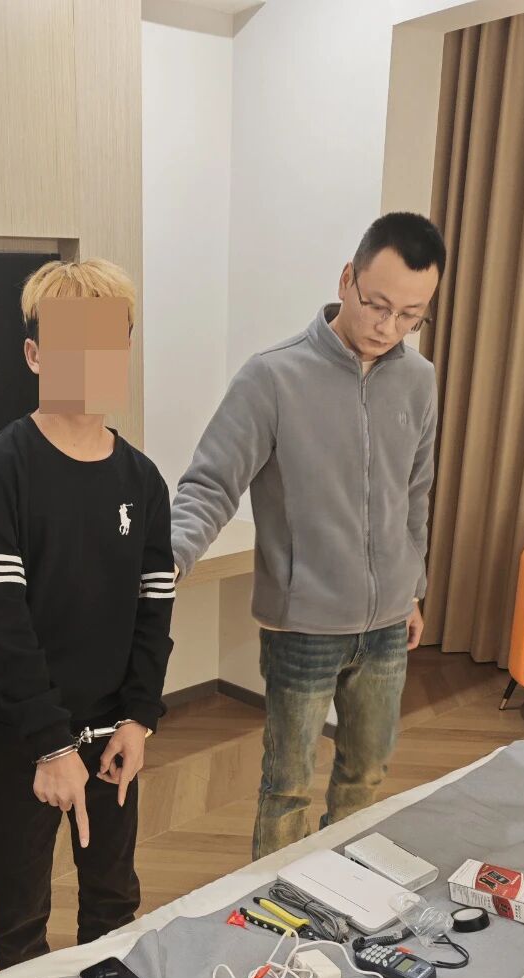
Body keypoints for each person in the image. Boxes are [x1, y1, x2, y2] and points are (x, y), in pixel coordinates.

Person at [172, 213, 445, 857]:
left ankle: (342, 890)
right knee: (287, 789)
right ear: (347, 278)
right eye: (378, 304)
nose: (388, 327)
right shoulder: (272, 377)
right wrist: (169, 558)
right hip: (303, 626)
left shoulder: (419, 379)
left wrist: (413, 589)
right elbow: (210, 484)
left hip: (387, 624)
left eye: (410, 316)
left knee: (366, 776)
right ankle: (274, 905)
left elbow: (415, 495)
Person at [0, 259, 175, 970]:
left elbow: (154, 609)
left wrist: (140, 718)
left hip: (114, 731)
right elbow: (2, 621)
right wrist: (52, 748)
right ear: (35, 355)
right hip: (21, 735)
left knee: (113, 901)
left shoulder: (142, 479)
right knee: (20, 915)